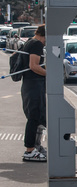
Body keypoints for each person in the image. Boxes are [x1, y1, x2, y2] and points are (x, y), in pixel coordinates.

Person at [21, 24, 47, 162]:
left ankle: (34, 147)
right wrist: (49, 74)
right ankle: (29, 150)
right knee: (34, 117)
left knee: (37, 117)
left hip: (29, 85)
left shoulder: (30, 42)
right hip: (34, 86)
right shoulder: (37, 44)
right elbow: (33, 66)